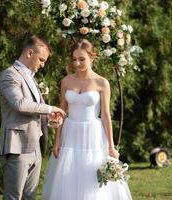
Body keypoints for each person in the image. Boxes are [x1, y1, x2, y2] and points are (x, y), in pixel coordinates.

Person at [42, 39, 132, 200]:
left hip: (93, 134)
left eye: (82, 59)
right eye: (74, 59)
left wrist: (111, 146)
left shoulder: (102, 83)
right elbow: (61, 113)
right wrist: (57, 142)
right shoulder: (66, 81)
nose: (77, 63)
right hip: (70, 132)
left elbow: (105, 115)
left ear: (92, 58)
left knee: (91, 175)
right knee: (68, 176)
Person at [0, 35, 66, 200]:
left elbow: (34, 112)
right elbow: (19, 104)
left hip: (35, 147)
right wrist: (49, 108)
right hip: (17, 146)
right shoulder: (10, 75)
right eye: (41, 59)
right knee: (14, 197)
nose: (43, 65)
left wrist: (49, 119)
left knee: (30, 197)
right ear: (29, 52)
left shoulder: (32, 79)